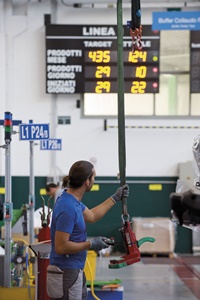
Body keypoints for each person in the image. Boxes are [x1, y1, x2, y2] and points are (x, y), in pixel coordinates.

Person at [47, 160, 129, 300]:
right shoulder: (68, 207)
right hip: (66, 272)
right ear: (87, 181)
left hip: (74, 270)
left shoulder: (73, 201)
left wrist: (115, 198)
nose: (94, 181)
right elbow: (61, 247)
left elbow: (92, 216)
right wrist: (90, 244)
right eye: (94, 177)